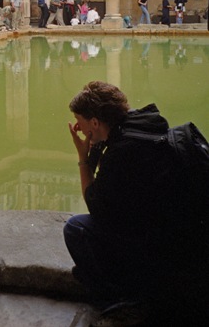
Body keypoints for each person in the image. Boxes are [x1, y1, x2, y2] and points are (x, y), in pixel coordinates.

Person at [64, 81, 208, 327]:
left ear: (96, 122)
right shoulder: (147, 122)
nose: (80, 127)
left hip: (167, 251)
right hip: (187, 236)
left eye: (82, 121)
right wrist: (97, 143)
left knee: (76, 229)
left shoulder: (122, 154)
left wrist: (82, 158)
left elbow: (95, 206)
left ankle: (125, 305)